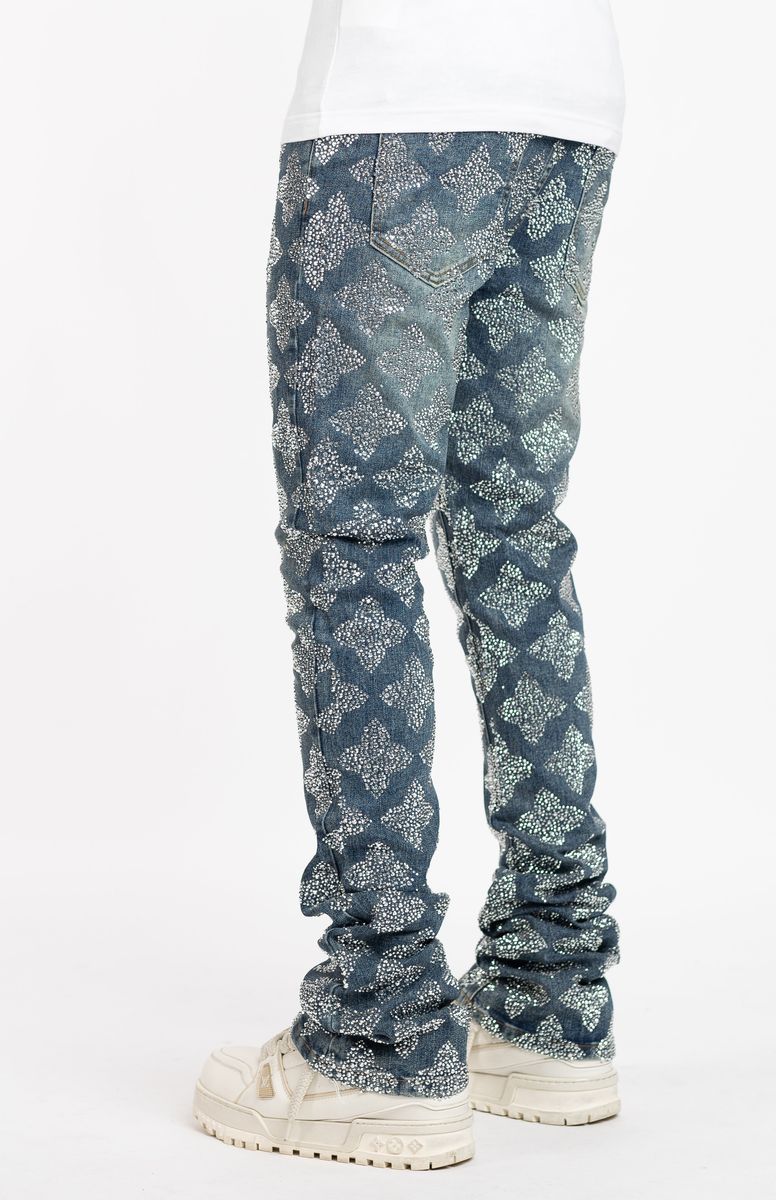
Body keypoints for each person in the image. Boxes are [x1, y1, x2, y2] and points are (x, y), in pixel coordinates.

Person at [193, 0, 625, 1170]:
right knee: (512, 534)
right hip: (564, 104)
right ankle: (546, 993)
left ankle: (377, 1028)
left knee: (354, 545)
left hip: (398, 98)